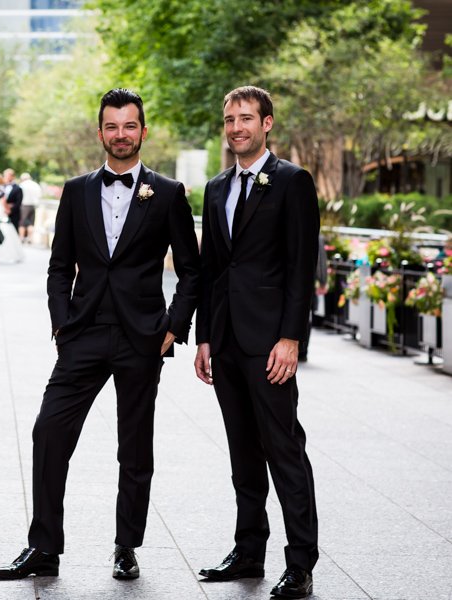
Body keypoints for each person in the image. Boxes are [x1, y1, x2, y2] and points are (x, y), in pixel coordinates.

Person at [0, 88, 200, 581]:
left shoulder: (168, 193)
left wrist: (173, 326)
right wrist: (61, 322)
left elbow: (192, 271)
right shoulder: (77, 190)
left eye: (129, 126)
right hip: (82, 334)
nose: (120, 135)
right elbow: (59, 265)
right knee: (48, 432)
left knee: (135, 445)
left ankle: (127, 546)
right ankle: (44, 547)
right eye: (112, 126)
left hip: (142, 337)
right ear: (100, 132)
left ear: (143, 131)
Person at [193, 86, 319, 599]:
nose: (236, 127)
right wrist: (204, 337)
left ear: (267, 123)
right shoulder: (216, 187)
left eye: (246, 118)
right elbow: (211, 269)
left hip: (270, 343)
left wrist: (291, 338)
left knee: (283, 450)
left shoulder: (292, 181)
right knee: (242, 453)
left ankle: (301, 563)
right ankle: (248, 551)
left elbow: (301, 266)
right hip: (225, 341)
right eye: (230, 119)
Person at [18, 172, 41, 242]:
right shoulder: (35, 185)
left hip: (24, 205)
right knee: (31, 222)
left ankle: (21, 237)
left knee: (22, 222)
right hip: (33, 205)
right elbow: (39, 195)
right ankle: (30, 238)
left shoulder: (22, 185)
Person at [2, 168, 23, 238]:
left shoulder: (18, 188)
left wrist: (10, 210)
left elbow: (18, 203)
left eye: (8, 176)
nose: (7, 178)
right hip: (2, 213)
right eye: (5, 176)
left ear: (13, 177)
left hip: (14, 215)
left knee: (13, 234)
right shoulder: (1, 187)